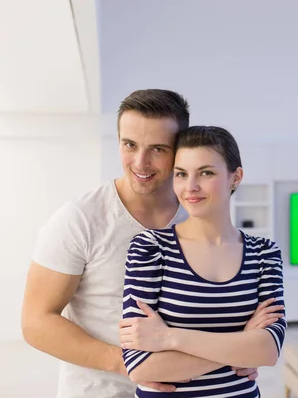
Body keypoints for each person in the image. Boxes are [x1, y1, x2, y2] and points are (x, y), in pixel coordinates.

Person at [21, 90, 267, 398]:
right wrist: (128, 364)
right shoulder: (80, 219)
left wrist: (241, 350)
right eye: (129, 145)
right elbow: (36, 322)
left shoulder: (199, 213)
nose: (140, 162)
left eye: (158, 149)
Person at [117, 126, 286, 397]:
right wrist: (241, 346)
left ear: (235, 177)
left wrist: (170, 338)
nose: (190, 186)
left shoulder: (264, 253)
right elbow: (141, 367)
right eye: (181, 174)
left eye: (206, 173)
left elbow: (269, 350)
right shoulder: (150, 247)